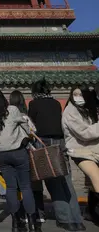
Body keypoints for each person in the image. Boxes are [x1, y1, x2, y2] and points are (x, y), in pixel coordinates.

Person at [28, 80, 85, 231]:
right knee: (66, 181)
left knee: (53, 181)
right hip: (60, 143)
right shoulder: (56, 104)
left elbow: (31, 126)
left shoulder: (34, 104)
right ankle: (77, 220)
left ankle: (65, 219)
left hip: (45, 145)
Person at [0, 87, 41, 232]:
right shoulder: (11, 109)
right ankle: (33, 223)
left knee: (10, 188)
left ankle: (16, 223)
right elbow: (25, 125)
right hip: (18, 152)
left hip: (2, 154)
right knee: (25, 187)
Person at [62, 85, 99, 224]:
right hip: (80, 151)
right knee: (96, 177)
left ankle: (91, 211)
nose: (78, 97)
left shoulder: (89, 108)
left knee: (92, 183)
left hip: (94, 149)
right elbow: (84, 133)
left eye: (80, 94)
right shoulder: (70, 111)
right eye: (75, 94)